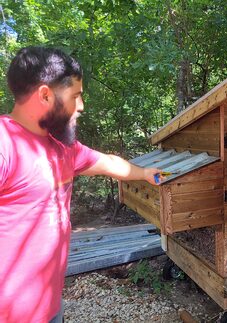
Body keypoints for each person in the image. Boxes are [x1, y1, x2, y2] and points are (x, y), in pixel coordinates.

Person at [0, 47, 163, 323]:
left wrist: (146, 173)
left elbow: (110, 163)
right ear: (45, 95)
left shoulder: (64, 149)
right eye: (75, 95)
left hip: (50, 309)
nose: (82, 105)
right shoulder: (6, 144)